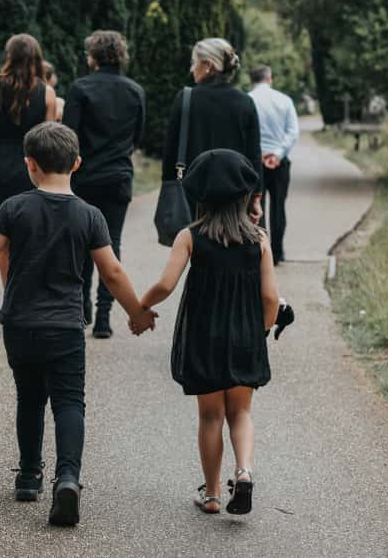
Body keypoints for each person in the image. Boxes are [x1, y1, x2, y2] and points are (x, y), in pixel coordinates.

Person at [0, 122, 156, 527]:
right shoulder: (89, 215)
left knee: (30, 398)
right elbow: (110, 273)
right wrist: (136, 312)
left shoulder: (14, 208)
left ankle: (27, 475)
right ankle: (67, 478)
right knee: (69, 403)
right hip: (66, 327)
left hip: (20, 324)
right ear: (76, 164)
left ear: (29, 165)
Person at [139, 149, 278, 516]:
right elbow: (271, 299)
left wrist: (141, 306)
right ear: (243, 196)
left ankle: (214, 493)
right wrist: (258, 333)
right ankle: (245, 472)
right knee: (242, 413)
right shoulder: (258, 240)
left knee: (211, 416)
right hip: (245, 336)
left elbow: (166, 285)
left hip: (204, 338)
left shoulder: (190, 236)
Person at [63, 30, 146, 338]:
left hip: (83, 177)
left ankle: (82, 306)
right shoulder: (135, 90)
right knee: (112, 243)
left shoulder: (80, 88)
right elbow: (138, 137)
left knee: (82, 242)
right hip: (118, 176)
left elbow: (68, 137)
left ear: (93, 56)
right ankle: (104, 318)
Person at [0, 34, 56, 284]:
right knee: (35, 234)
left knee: (4, 236)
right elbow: (50, 137)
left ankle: (10, 294)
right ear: (36, 58)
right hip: (34, 167)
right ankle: (32, 295)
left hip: (1, 164)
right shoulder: (47, 93)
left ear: (9, 56)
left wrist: (0, 142)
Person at [161, 38, 263, 216]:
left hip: (193, 196)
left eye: (194, 63)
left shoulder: (186, 99)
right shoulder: (245, 102)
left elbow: (170, 153)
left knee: (193, 243)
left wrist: (169, 190)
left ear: (208, 65)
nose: (191, 69)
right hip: (234, 197)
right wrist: (255, 197)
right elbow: (253, 155)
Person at [249, 65, 299, 265]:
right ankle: (277, 253)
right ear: (269, 78)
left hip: (255, 162)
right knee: (279, 207)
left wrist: (258, 154)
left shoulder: (248, 100)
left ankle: (261, 253)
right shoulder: (284, 100)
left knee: (255, 207)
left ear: (252, 79)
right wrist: (277, 154)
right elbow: (293, 131)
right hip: (279, 162)